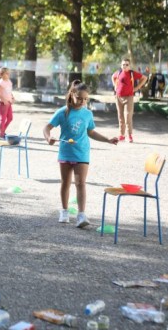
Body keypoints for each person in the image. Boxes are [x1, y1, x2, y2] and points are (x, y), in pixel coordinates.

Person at [43, 80, 119, 228]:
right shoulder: (62, 112)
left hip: (82, 153)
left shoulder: (87, 114)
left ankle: (81, 215)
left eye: (85, 99)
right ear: (72, 94)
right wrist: (48, 138)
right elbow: (47, 127)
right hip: (65, 153)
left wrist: (107, 140)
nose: (82, 102)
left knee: (80, 183)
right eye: (80, 98)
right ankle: (64, 211)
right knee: (65, 183)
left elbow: (91, 132)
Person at [111, 58, 147, 143]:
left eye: (127, 64)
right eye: (123, 64)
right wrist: (115, 86)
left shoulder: (132, 73)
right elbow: (113, 77)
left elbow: (144, 78)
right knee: (120, 117)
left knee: (128, 117)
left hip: (129, 97)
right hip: (118, 97)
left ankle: (129, 135)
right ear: (121, 65)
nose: (125, 66)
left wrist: (137, 87)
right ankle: (122, 135)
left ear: (129, 66)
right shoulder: (119, 72)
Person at [0, 67, 15, 139]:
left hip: (9, 103)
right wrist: (3, 99)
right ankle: (1, 134)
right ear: (2, 74)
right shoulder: (1, 82)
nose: (8, 75)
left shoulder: (9, 81)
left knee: (10, 118)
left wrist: (12, 97)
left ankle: (2, 131)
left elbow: (9, 91)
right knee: (3, 119)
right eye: (7, 73)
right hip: (3, 103)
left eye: (9, 73)